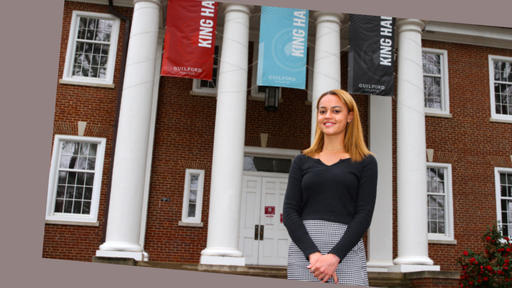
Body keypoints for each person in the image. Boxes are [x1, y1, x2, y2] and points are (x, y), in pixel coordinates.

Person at [283, 89, 378, 286]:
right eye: (322, 111)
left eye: (336, 111)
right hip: (306, 252)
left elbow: (364, 215)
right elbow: (290, 212)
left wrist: (334, 257)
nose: (328, 116)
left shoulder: (366, 162)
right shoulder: (302, 161)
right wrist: (314, 255)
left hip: (346, 250)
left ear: (350, 116)